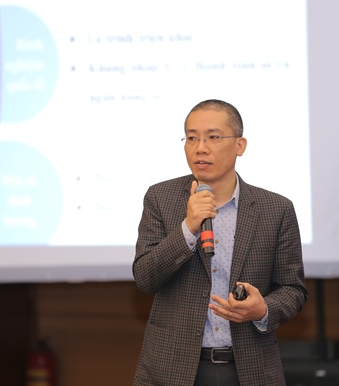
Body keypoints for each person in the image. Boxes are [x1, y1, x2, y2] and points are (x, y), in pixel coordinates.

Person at [132, 99, 308, 386]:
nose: (200, 148)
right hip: (172, 370)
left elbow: (293, 289)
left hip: (249, 370)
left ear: (240, 145)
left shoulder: (276, 209)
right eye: (192, 138)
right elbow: (145, 277)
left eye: (213, 137)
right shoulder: (160, 198)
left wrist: (263, 309)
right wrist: (188, 228)